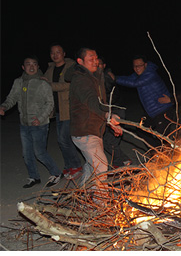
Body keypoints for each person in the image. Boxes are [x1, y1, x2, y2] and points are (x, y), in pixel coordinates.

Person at [0, 55, 61, 188]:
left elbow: (49, 103)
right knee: (26, 154)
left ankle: (56, 173)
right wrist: (4, 107)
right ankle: (34, 177)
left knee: (40, 153)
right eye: (28, 64)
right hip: (24, 123)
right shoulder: (18, 82)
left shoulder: (43, 83)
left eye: (34, 64)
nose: (31, 66)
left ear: (38, 67)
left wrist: (40, 118)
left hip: (40, 124)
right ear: (23, 67)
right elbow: (12, 97)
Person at [68, 47, 123, 189]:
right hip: (84, 130)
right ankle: (100, 200)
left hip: (95, 128)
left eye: (96, 58)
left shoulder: (95, 76)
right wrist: (108, 115)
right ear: (80, 61)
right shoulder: (80, 79)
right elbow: (92, 102)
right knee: (101, 165)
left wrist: (110, 122)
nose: (95, 61)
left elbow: (102, 103)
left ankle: (81, 194)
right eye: (90, 59)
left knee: (91, 165)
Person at [43, 44, 83, 179]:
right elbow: (43, 82)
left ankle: (76, 166)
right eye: (52, 52)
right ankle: (69, 166)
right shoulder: (50, 69)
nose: (55, 55)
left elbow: (68, 85)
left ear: (64, 53)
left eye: (58, 52)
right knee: (63, 141)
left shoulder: (71, 67)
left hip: (69, 108)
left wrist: (49, 85)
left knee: (63, 139)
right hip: (58, 110)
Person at [113, 55, 174, 136]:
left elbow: (134, 83)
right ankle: (155, 145)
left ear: (145, 65)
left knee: (162, 138)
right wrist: (114, 77)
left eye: (140, 65)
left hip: (163, 110)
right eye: (135, 66)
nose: (137, 68)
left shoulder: (150, 74)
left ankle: (167, 144)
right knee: (141, 131)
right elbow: (129, 78)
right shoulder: (140, 74)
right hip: (152, 112)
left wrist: (115, 79)